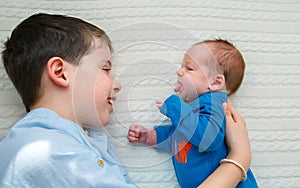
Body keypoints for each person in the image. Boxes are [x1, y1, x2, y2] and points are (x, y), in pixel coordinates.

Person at [0, 13, 252, 187]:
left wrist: (165, 122)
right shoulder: (44, 149)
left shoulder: (83, 142)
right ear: (60, 72)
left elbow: (197, 136)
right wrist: (239, 159)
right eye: (106, 68)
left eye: (189, 68)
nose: (117, 84)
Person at [128, 40, 258, 187]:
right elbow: (181, 134)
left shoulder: (214, 102)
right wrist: (151, 136)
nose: (179, 71)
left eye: (189, 68)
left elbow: (208, 137)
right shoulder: (194, 109)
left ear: (215, 82)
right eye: (181, 66)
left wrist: (176, 107)